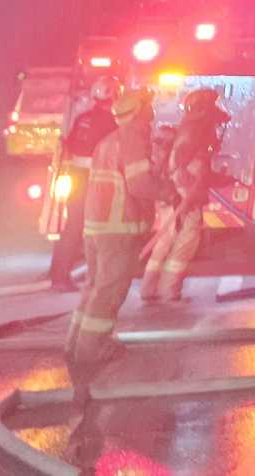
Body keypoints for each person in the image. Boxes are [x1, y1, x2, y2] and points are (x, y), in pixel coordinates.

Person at [64, 86, 158, 387]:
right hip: (119, 229)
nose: (153, 112)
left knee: (94, 288)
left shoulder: (109, 140)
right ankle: (92, 351)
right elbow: (140, 185)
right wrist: (167, 190)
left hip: (97, 228)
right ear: (139, 111)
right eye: (149, 107)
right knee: (109, 293)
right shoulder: (132, 139)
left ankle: (76, 344)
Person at [139, 89, 228, 302]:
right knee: (187, 240)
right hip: (184, 194)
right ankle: (168, 290)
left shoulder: (190, 128)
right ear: (203, 109)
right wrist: (186, 193)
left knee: (166, 240)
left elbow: (194, 167)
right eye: (211, 107)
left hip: (177, 192)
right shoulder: (194, 131)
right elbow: (185, 166)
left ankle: (149, 288)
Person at [47, 74, 120, 291]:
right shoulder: (111, 123)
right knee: (97, 227)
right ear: (115, 95)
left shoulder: (82, 118)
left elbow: (69, 145)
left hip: (76, 177)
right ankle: (89, 276)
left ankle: (58, 274)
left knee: (73, 226)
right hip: (96, 180)